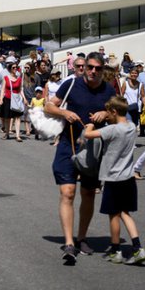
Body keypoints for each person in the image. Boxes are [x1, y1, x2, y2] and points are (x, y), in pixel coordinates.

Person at [45, 52, 116, 262]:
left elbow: (120, 116)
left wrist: (106, 114)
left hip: (94, 149)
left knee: (88, 193)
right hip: (69, 144)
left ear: (103, 70)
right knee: (67, 192)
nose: (93, 71)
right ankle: (68, 242)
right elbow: (49, 105)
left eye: (98, 68)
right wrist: (64, 113)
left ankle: (81, 237)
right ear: (84, 68)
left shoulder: (108, 90)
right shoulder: (72, 85)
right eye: (90, 67)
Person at [82, 97, 145, 265]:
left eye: (108, 113)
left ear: (114, 112)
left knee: (114, 215)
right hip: (128, 177)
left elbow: (88, 135)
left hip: (113, 178)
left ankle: (115, 249)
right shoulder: (132, 127)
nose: (106, 116)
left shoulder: (112, 129)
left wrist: (89, 124)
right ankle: (138, 247)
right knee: (125, 213)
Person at [0, 62, 25, 142]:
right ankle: (7, 134)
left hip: (16, 99)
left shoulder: (19, 79)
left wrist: (24, 98)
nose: (15, 69)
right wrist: (1, 99)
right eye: (13, 67)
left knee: (17, 117)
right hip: (7, 99)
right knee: (8, 118)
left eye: (16, 67)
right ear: (10, 69)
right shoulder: (6, 78)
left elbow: (20, 90)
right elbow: (3, 89)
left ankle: (17, 136)